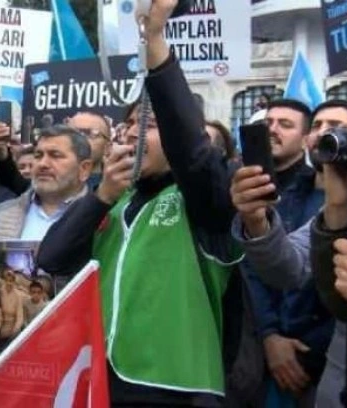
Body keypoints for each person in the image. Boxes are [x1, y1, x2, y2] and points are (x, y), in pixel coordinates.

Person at [36, 1, 243, 405]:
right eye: (129, 124)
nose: (132, 134)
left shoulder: (205, 198)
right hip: (101, 383)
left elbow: (192, 152)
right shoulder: (111, 198)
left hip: (179, 389)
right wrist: (100, 198)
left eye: (148, 125)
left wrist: (155, 41)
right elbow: (52, 258)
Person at [231, 102, 347, 407]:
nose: (326, 135)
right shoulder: (335, 205)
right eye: (318, 127)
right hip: (340, 388)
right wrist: (256, 221)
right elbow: (288, 268)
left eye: (339, 129)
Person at [0, 125, 92, 241]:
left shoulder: (102, 218)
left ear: (84, 169)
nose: (43, 164)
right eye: (38, 156)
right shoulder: (1, 215)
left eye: (55, 156)